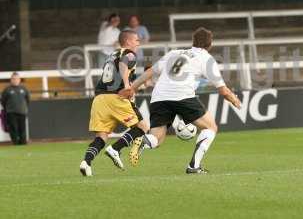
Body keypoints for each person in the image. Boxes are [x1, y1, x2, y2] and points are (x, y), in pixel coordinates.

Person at [120, 27, 241, 174]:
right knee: (211, 128)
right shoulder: (206, 59)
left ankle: (143, 141)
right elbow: (223, 90)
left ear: (193, 41)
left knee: (156, 139)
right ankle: (193, 166)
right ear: (210, 44)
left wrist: (132, 88)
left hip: (159, 97)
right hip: (182, 96)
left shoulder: (174, 53)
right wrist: (236, 101)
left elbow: (150, 71)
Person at [79, 29, 149, 177]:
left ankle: (86, 162)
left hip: (100, 98)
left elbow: (115, 74)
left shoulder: (112, 55)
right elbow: (124, 65)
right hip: (116, 97)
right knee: (143, 127)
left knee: (101, 136)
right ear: (128, 41)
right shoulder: (129, 54)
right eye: (136, 40)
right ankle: (115, 149)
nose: (138, 42)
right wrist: (127, 85)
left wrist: (136, 85)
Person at [0, 72, 30, 145]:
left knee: (22, 129)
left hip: (22, 112)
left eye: (17, 79)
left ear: (19, 80)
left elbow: (27, 99)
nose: (15, 80)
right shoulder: (7, 89)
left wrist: (24, 108)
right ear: (11, 80)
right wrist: (8, 108)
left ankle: (23, 143)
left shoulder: (24, 89)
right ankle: (15, 143)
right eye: (13, 79)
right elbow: (3, 100)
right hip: (11, 112)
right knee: (13, 129)